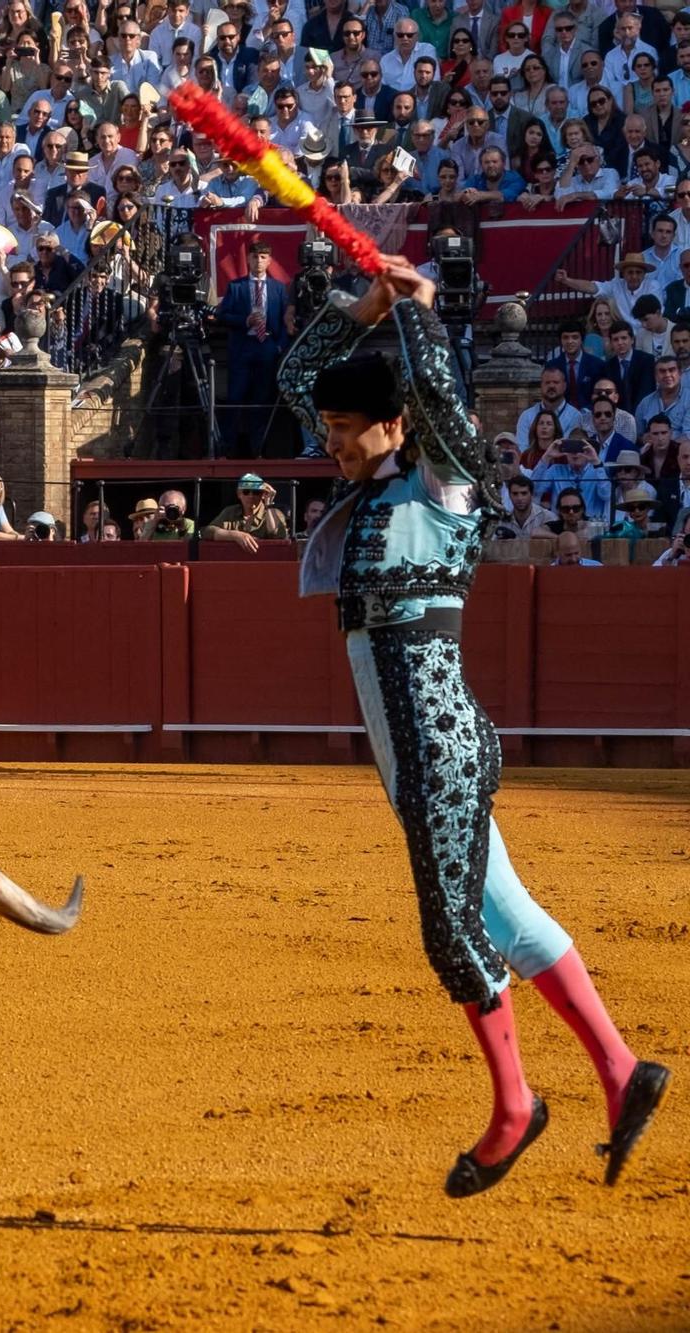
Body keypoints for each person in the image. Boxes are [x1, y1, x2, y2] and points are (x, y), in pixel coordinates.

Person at [279, 254, 669, 1198]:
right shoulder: (373, 484)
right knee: (504, 913)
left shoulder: (446, 484)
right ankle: (622, 1072)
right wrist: (361, 308)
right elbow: (299, 379)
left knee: (451, 929)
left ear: (395, 425)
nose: (329, 440)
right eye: (329, 430)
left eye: (345, 429)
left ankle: (515, 1106)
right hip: (422, 752)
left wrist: (415, 310)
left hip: (439, 749)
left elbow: (443, 399)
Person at [214, 241, 294, 457]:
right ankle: (227, 450)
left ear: (269, 261)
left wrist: (279, 346)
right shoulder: (236, 286)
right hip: (243, 347)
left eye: (263, 257)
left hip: (267, 346)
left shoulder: (278, 288)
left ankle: (258, 450)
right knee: (235, 398)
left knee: (262, 401)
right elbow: (223, 315)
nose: (258, 261)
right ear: (248, 259)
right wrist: (245, 320)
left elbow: (285, 318)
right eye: (254, 257)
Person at [202, 474, 292, 551]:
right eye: (246, 492)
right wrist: (235, 535)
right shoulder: (230, 512)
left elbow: (277, 535)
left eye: (256, 492)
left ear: (263, 495)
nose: (251, 496)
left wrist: (268, 504)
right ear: (239, 494)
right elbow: (207, 532)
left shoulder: (274, 513)